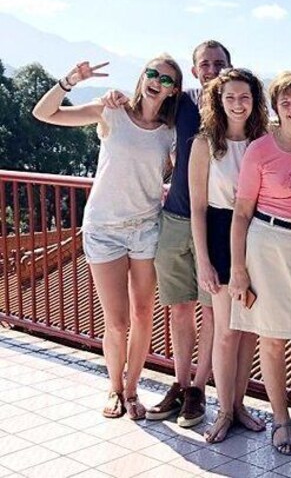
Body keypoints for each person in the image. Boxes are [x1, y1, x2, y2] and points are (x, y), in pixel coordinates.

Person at [33, 57, 181, 419]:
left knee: (144, 314)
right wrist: (70, 80)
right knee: (117, 321)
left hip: (146, 227)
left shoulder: (169, 132)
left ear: (172, 90)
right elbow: (45, 114)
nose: (155, 81)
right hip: (104, 230)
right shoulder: (110, 111)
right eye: (151, 73)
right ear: (141, 77)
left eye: (165, 78)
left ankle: (132, 390)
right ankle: (114, 388)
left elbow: (188, 173)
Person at [230, 70, 291, 455]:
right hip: (266, 242)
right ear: (275, 108)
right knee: (270, 339)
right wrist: (238, 268)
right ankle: (281, 419)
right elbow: (241, 212)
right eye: (284, 101)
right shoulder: (260, 150)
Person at [147, 40, 230, 427]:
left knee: (212, 310)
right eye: (205, 64)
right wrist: (113, 100)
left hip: (216, 224)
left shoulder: (237, 107)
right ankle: (180, 384)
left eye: (219, 63)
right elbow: (141, 108)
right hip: (176, 216)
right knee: (179, 307)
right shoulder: (181, 105)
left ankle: (199, 388)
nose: (211, 69)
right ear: (194, 71)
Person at [187, 68, 268, 442]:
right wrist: (203, 260)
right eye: (230, 97)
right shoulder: (204, 144)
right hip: (220, 234)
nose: (238, 104)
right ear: (219, 101)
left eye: (245, 97)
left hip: (259, 234)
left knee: (249, 330)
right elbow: (198, 208)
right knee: (224, 331)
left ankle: (239, 406)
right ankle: (223, 411)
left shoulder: (262, 141)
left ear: (255, 102)